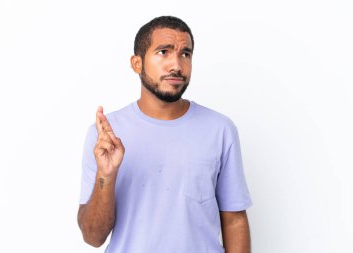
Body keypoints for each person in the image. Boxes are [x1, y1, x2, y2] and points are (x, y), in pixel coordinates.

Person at [77, 16, 252, 253]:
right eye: (163, 52)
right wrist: (106, 175)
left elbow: (234, 220)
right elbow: (93, 237)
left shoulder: (220, 130)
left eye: (185, 54)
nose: (177, 65)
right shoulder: (107, 135)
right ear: (137, 63)